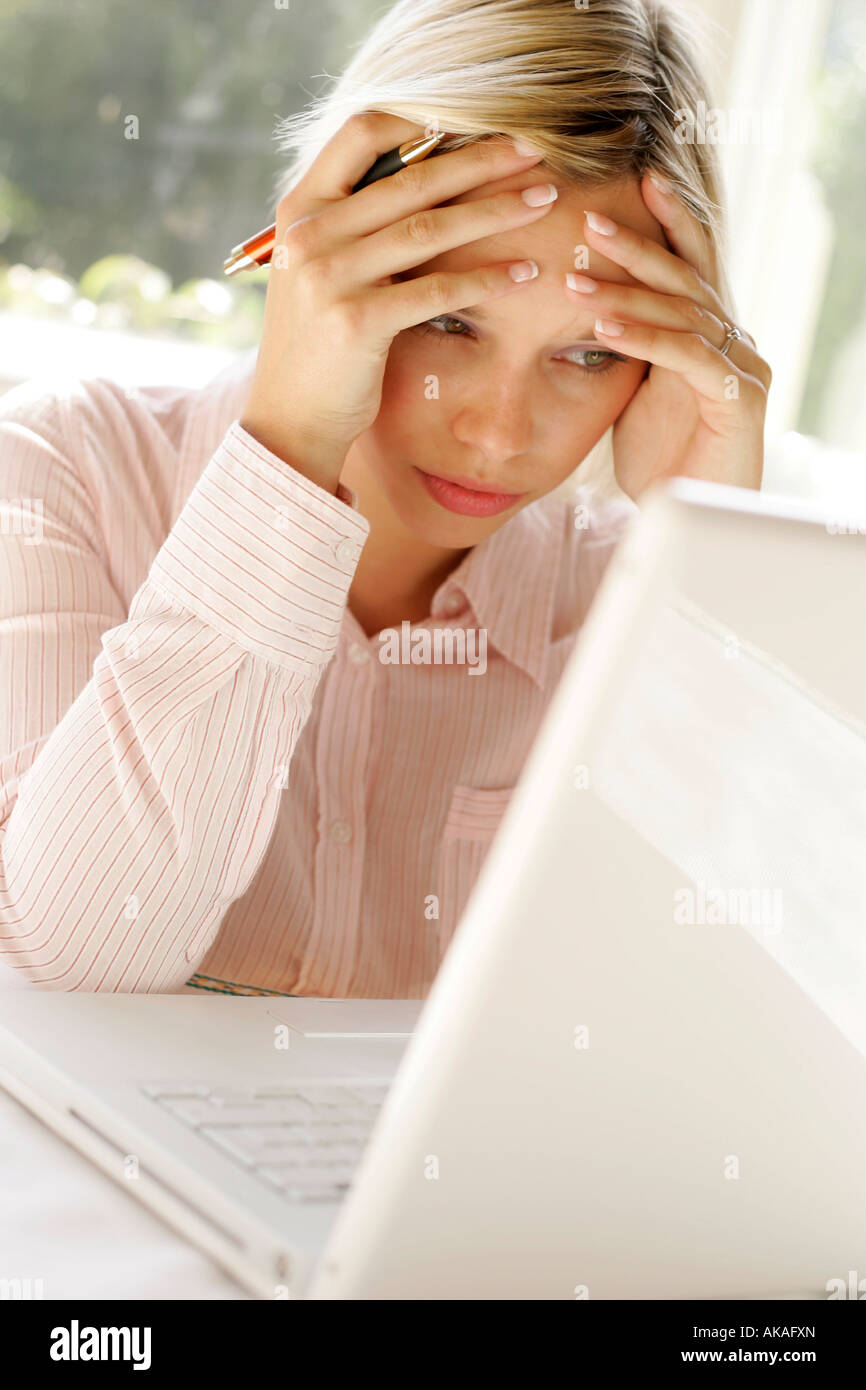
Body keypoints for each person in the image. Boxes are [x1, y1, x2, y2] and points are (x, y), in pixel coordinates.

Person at [0, 0, 771, 997]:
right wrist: (287, 455)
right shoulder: (61, 473)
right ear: (320, 251)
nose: (498, 434)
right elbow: (83, 960)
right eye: (447, 319)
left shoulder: (624, 602)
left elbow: (672, 1043)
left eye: (587, 353)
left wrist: (703, 566)